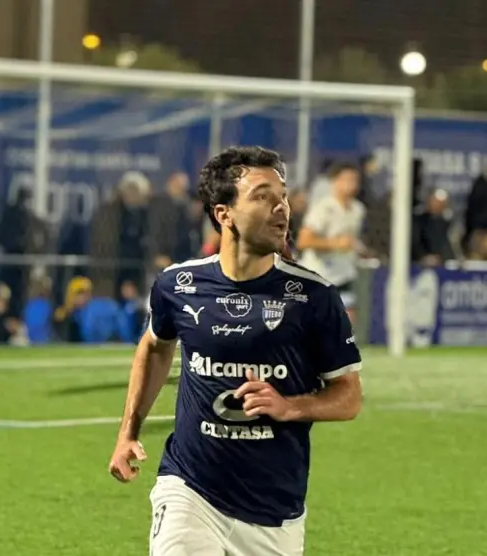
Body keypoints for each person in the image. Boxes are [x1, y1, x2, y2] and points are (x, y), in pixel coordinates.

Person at [107, 146, 363, 556]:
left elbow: (349, 396)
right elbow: (154, 347)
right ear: (223, 213)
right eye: (263, 196)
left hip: (274, 511)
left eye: (283, 196)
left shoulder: (314, 297)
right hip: (189, 488)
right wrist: (127, 433)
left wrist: (289, 406)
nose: (281, 207)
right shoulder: (178, 285)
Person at [296, 161, 366, 318]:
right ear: (335, 182)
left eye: (355, 180)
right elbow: (303, 241)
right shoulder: (323, 208)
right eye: (347, 180)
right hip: (319, 274)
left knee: (347, 318)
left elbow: (351, 239)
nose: (352, 184)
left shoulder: (358, 209)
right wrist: (334, 244)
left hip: (344, 273)